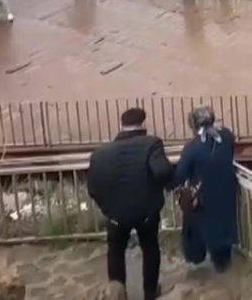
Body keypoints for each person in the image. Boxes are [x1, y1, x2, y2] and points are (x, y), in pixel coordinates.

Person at [88, 107, 174, 300]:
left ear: (121, 125)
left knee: (115, 251)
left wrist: (108, 209)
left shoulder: (101, 153)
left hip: (116, 216)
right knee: (150, 247)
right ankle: (150, 292)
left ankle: (118, 295)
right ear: (143, 125)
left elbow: (93, 187)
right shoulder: (152, 144)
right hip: (146, 213)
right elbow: (162, 172)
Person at [173, 105, 239, 272]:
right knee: (223, 243)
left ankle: (198, 264)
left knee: (196, 234)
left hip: (203, 201)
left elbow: (180, 174)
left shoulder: (192, 147)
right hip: (226, 195)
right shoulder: (226, 136)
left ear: (193, 125)